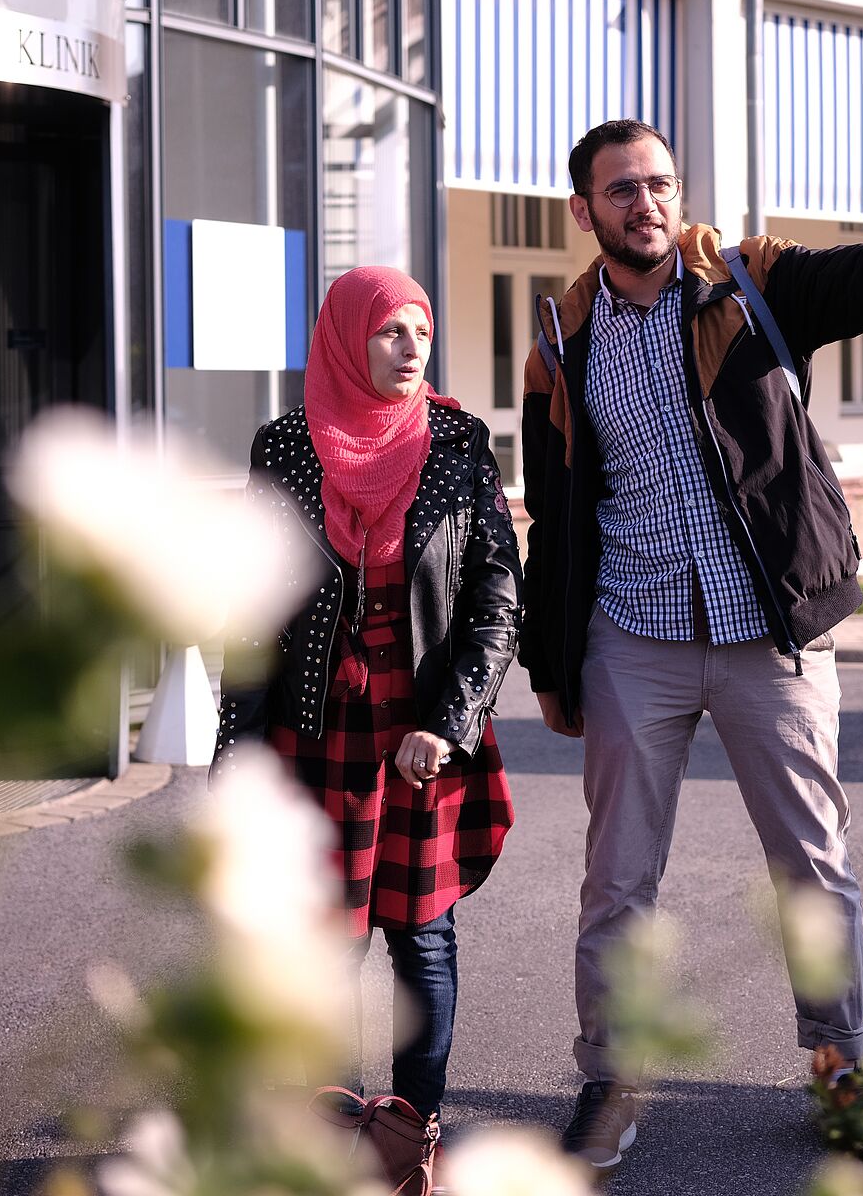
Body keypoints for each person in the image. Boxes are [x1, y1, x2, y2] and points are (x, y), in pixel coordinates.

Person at [518, 118, 863, 1168]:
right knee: (618, 878)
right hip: (632, 633)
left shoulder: (748, 282)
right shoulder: (563, 336)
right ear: (584, 210)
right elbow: (555, 510)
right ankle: (610, 1076)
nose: (647, 203)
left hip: (767, 629)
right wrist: (554, 662)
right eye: (622, 189)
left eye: (659, 183)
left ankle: (840, 1063)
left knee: (814, 865)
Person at [212, 264, 523, 1129]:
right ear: (349, 338)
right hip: (316, 724)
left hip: (420, 725)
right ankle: (332, 1123)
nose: (409, 347)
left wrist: (450, 723)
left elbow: (498, 597)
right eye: (391, 330)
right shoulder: (283, 446)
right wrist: (234, 751)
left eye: (422, 331)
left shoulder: (459, 442)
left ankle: (411, 1125)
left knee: (422, 937)